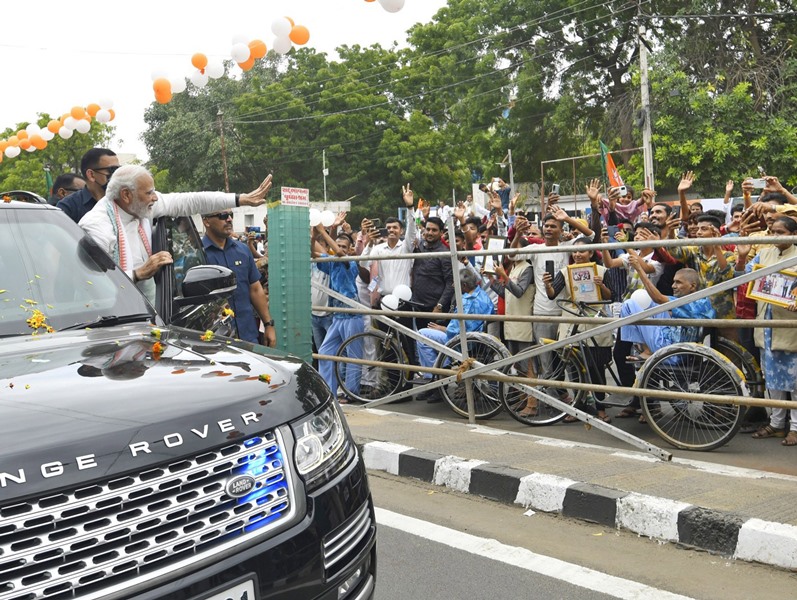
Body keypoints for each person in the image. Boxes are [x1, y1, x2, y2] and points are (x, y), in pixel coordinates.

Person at [79, 164, 272, 304]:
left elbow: (190, 201)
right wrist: (138, 274)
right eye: (149, 193)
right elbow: (91, 282)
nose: (155, 198)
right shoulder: (98, 226)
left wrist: (240, 199)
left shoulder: (141, 207)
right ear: (126, 195)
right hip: (113, 320)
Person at [735, 216, 797, 446]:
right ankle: (777, 423)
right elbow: (742, 279)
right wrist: (742, 257)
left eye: (780, 232)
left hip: (789, 325)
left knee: (795, 381)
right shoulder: (764, 254)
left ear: (793, 234)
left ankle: (795, 427)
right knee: (774, 379)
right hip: (766, 326)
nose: (775, 236)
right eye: (772, 232)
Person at [414, 269, 495, 402]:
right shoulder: (483, 295)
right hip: (477, 339)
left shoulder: (466, 301)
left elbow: (454, 331)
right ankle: (440, 371)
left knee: (422, 335)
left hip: (461, 341)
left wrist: (442, 328)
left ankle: (434, 377)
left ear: (464, 286)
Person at [201, 211, 276, 347]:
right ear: (206, 221)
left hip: (248, 336)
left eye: (231, 215)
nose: (229, 219)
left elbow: (255, 289)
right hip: (215, 341)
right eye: (223, 216)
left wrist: (268, 324)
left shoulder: (242, 251)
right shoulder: (198, 255)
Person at [313, 225, 365, 402]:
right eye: (338, 245)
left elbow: (341, 255)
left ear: (350, 249)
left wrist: (323, 232)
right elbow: (313, 254)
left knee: (353, 355)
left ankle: (352, 393)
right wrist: (314, 236)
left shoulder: (349, 261)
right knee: (325, 352)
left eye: (344, 246)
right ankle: (329, 391)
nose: (341, 249)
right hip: (337, 315)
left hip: (352, 314)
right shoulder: (331, 261)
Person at [410, 216, 454, 328]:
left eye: (434, 230)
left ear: (441, 233)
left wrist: (439, 306)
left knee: (433, 342)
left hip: (434, 308)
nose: (430, 232)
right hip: (417, 305)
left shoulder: (445, 253)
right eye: (428, 229)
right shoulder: (419, 246)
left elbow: (451, 283)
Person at [58, 148, 120, 223]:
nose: (117, 174)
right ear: (91, 175)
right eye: (112, 170)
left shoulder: (123, 202)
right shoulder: (69, 206)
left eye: (119, 169)